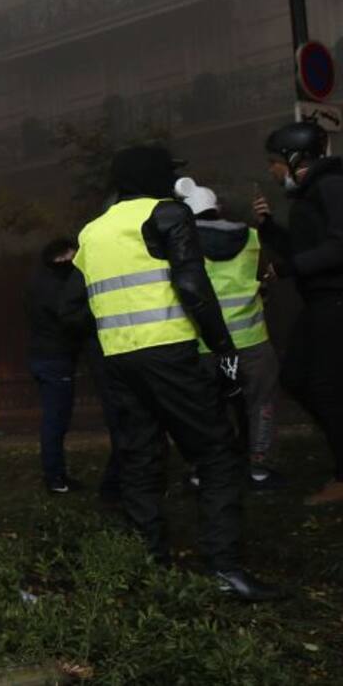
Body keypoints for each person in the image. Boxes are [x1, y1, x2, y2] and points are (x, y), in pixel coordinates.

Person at [61, 145, 278, 601]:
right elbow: (192, 284)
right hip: (170, 353)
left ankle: (149, 564)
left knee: (141, 458)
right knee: (217, 453)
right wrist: (223, 348)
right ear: (154, 176)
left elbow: (71, 309)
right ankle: (224, 569)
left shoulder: (92, 231)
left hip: (117, 360)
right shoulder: (168, 213)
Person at [174, 177, 282, 489]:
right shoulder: (252, 238)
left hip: (204, 344)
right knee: (260, 404)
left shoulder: (181, 246)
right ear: (217, 209)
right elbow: (265, 277)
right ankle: (259, 470)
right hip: (252, 340)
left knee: (206, 409)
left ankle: (204, 472)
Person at [255, 122, 343, 505]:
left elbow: (339, 248)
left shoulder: (331, 186)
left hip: (335, 300)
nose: (272, 170)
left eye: (275, 162)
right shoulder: (309, 195)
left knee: (324, 385)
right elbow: (304, 250)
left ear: (295, 159)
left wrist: (289, 268)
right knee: (296, 377)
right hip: (319, 301)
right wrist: (269, 229)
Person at [25, 237, 87, 493]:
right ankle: (55, 477)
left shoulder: (37, 281)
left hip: (44, 356)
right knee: (56, 419)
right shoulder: (57, 284)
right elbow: (69, 318)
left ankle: (55, 474)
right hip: (55, 357)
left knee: (55, 418)